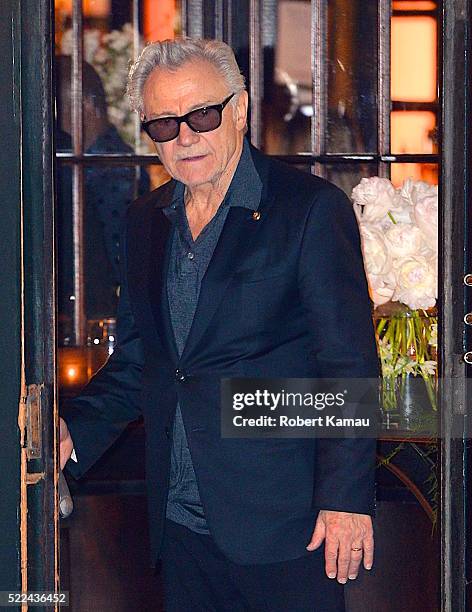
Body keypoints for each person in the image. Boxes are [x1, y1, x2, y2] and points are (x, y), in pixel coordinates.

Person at [60, 38, 380, 611]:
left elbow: (348, 364)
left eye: (202, 115)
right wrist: (73, 431)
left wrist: (346, 499)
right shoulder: (144, 220)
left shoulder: (309, 210)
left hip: (291, 528)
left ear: (239, 109)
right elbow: (141, 361)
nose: (185, 137)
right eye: (164, 123)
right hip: (179, 525)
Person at [55, 55, 150, 325]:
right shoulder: (91, 161)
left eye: (56, 109)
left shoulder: (113, 168)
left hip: (101, 318)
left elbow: (120, 262)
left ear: (85, 105)